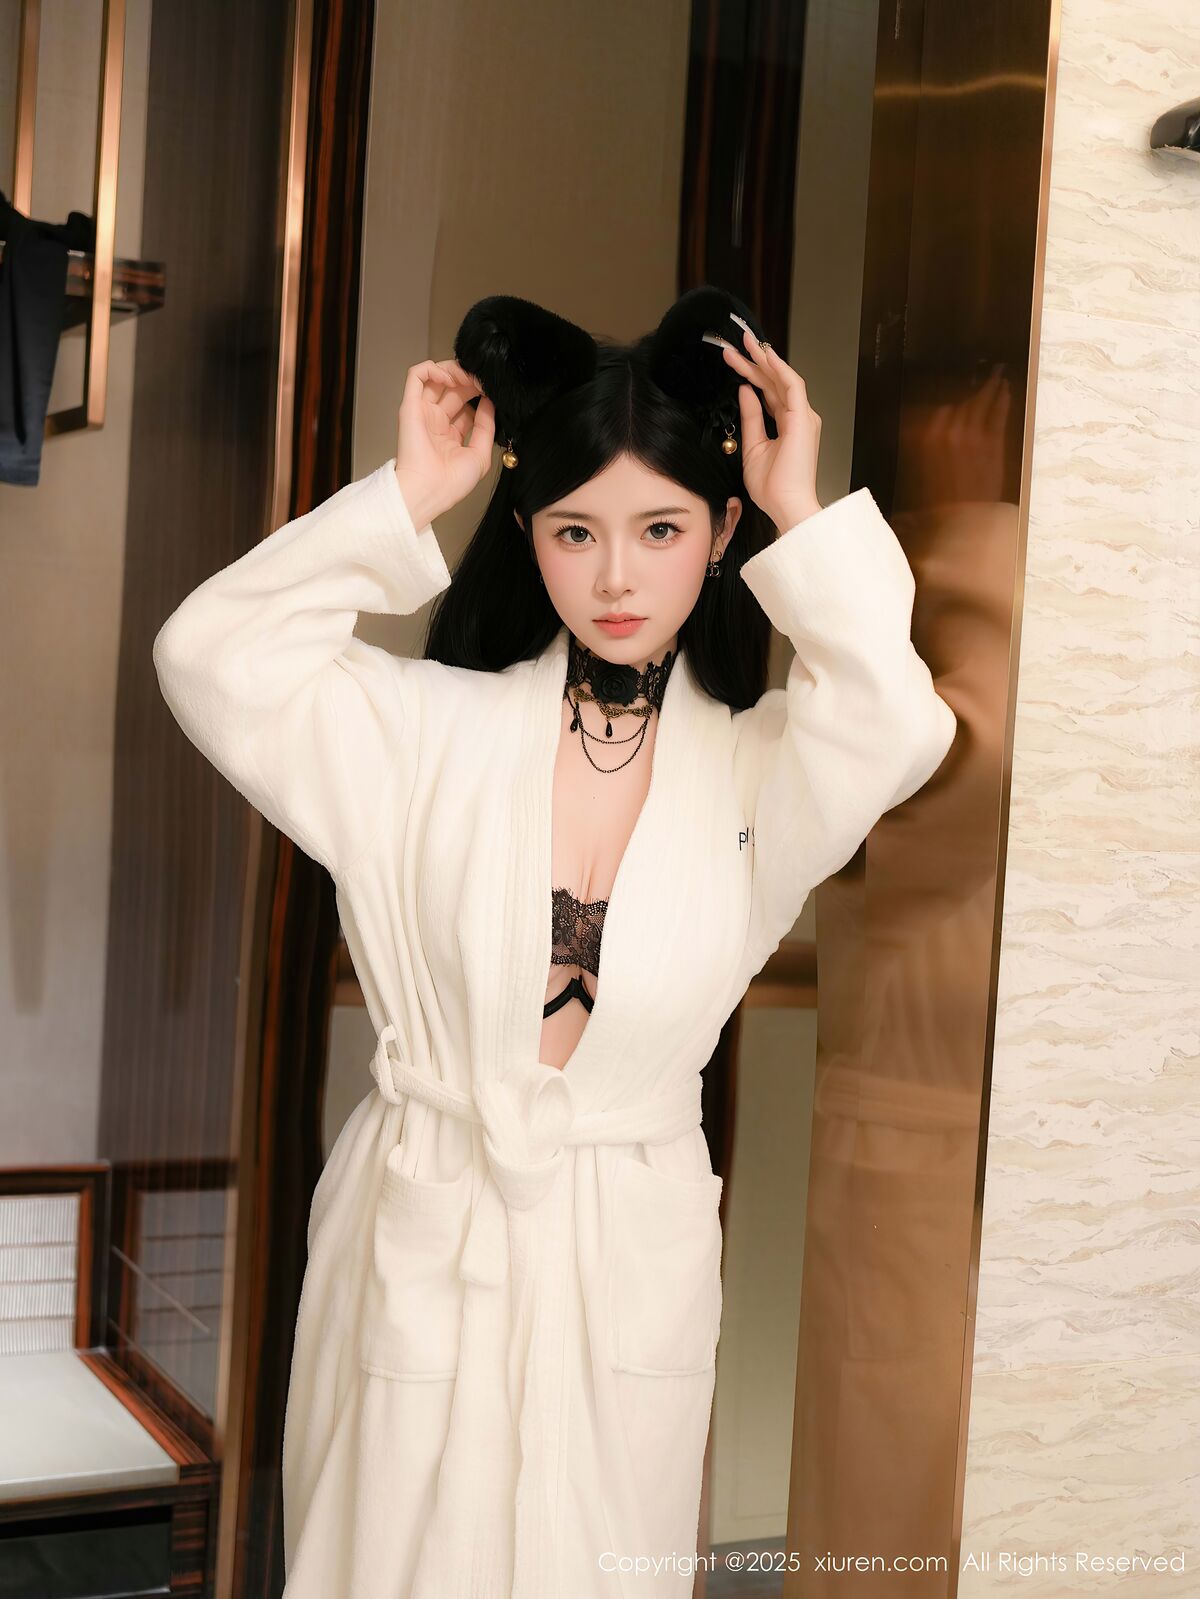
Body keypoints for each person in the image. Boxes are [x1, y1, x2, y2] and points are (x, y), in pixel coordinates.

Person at [152, 286, 957, 1598]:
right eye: (576, 530)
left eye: (661, 528)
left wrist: (805, 512)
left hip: (626, 1244)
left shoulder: (761, 773)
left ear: (722, 534)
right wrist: (410, 496)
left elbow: (901, 726)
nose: (618, 576)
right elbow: (210, 653)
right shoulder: (420, 732)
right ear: (528, 535)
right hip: (427, 1207)